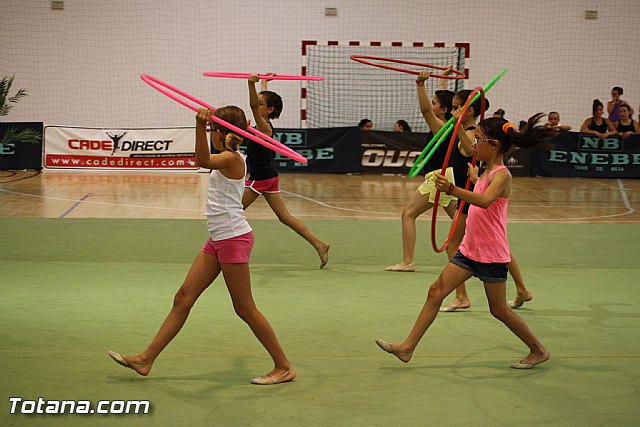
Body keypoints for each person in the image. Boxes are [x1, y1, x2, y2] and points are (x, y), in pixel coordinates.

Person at [108, 106, 295, 385]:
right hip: (219, 238)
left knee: (244, 308)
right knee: (183, 297)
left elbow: (202, 159)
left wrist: (198, 125)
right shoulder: (227, 156)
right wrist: (204, 125)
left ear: (219, 132)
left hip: (233, 238)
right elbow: (207, 156)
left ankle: (283, 367)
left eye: (211, 130)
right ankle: (146, 359)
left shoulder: (232, 159)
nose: (208, 133)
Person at [375, 113, 557, 369]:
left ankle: (538, 350)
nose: (473, 144)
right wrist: (474, 180)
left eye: (478, 139)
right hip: (470, 250)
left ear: (493, 144)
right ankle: (407, 348)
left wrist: (452, 190)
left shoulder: (502, 175)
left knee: (499, 310)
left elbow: (484, 201)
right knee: (435, 291)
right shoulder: (485, 172)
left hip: (490, 253)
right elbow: (480, 193)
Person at [244, 74, 329, 268]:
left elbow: (253, 106)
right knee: (285, 217)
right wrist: (265, 81)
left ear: (269, 109)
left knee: (234, 211)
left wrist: (250, 83)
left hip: (261, 177)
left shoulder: (265, 128)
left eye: (261, 103)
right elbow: (259, 103)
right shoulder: (260, 124)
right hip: (269, 176)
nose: (257, 104)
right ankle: (320, 244)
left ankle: (231, 250)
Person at [384, 68, 457, 273]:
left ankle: (407, 261)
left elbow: (426, 111)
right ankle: (486, 250)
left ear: (443, 110)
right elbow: (444, 104)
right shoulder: (450, 123)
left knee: (408, 214)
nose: (431, 105)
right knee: (462, 221)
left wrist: (420, 84)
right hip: (448, 176)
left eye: (435, 102)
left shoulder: (440, 126)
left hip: (438, 178)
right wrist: (443, 80)